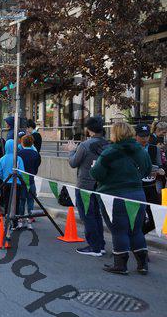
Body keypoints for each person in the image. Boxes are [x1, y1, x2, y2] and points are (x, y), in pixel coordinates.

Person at [90, 122, 151, 275]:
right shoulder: (141, 150)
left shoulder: (109, 152)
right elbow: (147, 170)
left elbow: (97, 174)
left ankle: (120, 265)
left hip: (114, 195)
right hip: (137, 193)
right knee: (136, 230)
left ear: (115, 134)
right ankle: (142, 264)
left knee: (119, 230)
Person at [66, 116, 109, 256]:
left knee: (87, 216)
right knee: (97, 215)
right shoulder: (107, 144)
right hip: (100, 184)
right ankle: (100, 245)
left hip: (85, 185)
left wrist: (71, 150)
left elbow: (73, 163)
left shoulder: (85, 145)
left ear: (89, 129)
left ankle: (94, 247)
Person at [134, 124, 163, 235]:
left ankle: (139, 236)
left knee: (156, 217)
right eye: (142, 136)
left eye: (147, 136)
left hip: (151, 187)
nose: (145, 139)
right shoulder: (131, 149)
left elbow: (160, 165)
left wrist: (159, 170)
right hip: (136, 187)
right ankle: (137, 239)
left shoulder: (154, 148)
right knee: (138, 218)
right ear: (135, 136)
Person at [0, 138, 25, 227]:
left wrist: (4, 178)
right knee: (16, 202)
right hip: (17, 183)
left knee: (7, 202)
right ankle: (15, 222)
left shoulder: (2, 159)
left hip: (6, 183)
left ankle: (7, 220)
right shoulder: (18, 159)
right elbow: (22, 172)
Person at [17, 135, 41, 230]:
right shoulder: (35, 154)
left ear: (22, 143)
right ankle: (29, 220)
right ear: (32, 143)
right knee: (30, 200)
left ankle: (20, 220)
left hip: (21, 180)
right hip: (31, 179)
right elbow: (37, 165)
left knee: (21, 200)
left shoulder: (19, 153)